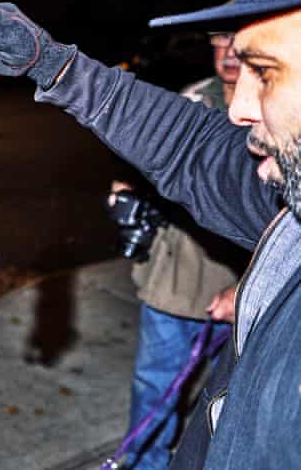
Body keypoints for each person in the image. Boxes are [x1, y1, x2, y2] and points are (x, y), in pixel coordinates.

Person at [0, 0, 301, 468]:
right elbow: (193, 150)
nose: (237, 107)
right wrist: (51, 65)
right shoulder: (291, 203)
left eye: (267, 69)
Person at [108, 30, 246, 470]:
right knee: (154, 390)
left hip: (238, 292)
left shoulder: (276, 110)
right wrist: (126, 189)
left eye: (240, 41)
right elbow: (147, 159)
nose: (228, 52)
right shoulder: (192, 99)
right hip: (171, 282)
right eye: (221, 39)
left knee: (234, 405)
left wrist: (245, 290)